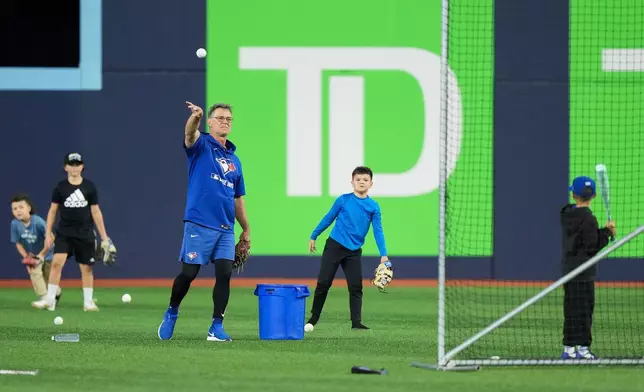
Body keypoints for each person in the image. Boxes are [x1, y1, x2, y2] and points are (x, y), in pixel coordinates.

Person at [157, 101, 250, 342]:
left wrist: (246, 229)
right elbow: (189, 133)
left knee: (224, 274)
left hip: (226, 227)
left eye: (228, 119)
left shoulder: (235, 160)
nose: (225, 122)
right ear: (210, 122)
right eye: (220, 118)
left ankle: (216, 326)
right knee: (189, 273)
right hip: (199, 222)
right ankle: (172, 312)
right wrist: (195, 117)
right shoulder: (201, 145)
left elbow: (238, 199)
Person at [306, 166, 390, 331]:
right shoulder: (343, 200)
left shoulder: (374, 206)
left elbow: (378, 231)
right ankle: (313, 318)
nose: (361, 182)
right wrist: (314, 235)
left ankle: (356, 323)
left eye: (365, 180)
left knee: (356, 287)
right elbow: (328, 218)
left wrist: (384, 255)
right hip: (334, 246)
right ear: (352, 182)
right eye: (358, 179)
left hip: (354, 251)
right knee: (323, 283)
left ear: (371, 184)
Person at [31, 152, 115, 312]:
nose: (74, 168)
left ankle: (88, 302)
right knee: (56, 263)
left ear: (82, 166)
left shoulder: (89, 187)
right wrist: (48, 233)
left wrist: (105, 237)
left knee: (86, 267)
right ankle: (50, 300)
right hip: (65, 233)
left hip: (85, 233)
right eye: (71, 164)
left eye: (77, 164)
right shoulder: (60, 187)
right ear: (65, 167)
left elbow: (96, 212)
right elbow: (52, 211)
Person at [560, 175, 615, 360]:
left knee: (570, 310)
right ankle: (583, 349)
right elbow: (592, 247)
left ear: (574, 195)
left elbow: (583, 239)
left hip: (569, 272)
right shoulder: (589, 219)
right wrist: (607, 232)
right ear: (594, 196)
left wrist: (603, 232)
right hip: (584, 274)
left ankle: (568, 349)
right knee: (584, 311)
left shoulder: (567, 214)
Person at [10, 193, 61, 304]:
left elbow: (51, 239)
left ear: (29, 208)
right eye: (14, 208)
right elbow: (18, 243)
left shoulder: (38, 222)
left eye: (21, 207)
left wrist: (41, 255)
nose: (18, 211)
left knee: (48, 278)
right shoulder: (14, 224)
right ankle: (44, 298)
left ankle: (56, 292)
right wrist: (27, 257)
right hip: (33, 255)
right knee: (35, 273)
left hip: (48, 253)